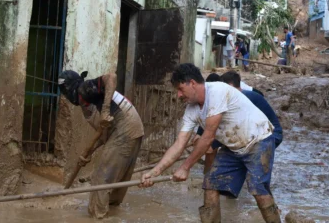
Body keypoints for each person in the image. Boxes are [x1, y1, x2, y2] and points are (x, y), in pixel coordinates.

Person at [140, 63, 281, 223]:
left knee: (258, 190)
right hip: (233, 147)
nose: (178, 95)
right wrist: (154, 172)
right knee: (210, 184)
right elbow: (179, 143)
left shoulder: (217, 91)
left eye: (180, 89)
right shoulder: (191, 110)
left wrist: (185, 168)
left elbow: (208, 137)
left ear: (192, 83)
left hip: (259, 140)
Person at [58, 70, 144, 219]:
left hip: (124, 125)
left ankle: (98, 216)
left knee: (100, 177)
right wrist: (88, 153)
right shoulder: (89, 101)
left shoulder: (84, 88)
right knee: (118, 176)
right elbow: (104, 134)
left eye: (64, 92)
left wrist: (104, 110)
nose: (65, 96)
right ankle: (112, 212)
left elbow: (111, 76)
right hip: (132, 126)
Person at [221, 71, 283, 148]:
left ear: (229, 86)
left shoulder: (245, 97)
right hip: (261, 132)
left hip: (271, 134)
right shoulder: (243, 95)